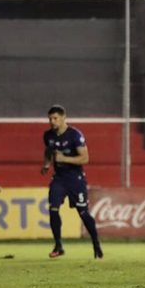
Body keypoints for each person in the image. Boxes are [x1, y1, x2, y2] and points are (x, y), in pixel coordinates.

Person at [41, 105, 103, 259]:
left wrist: (64, 158)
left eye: (55, 118)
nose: (52, 121)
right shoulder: (48, 135)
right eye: (50, 119)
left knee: (83, 212)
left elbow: (85, 158)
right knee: (53, 208)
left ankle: (96, 244)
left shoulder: (75, 135)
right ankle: (58, 245)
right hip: (59, 178)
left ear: (63, 118)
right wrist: (47, 164)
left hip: (75, 179)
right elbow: (48, 151)